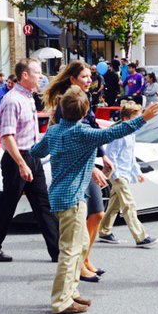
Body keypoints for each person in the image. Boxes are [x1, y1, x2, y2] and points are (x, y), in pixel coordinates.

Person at [30, 88, 158, 314]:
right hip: (72, 199)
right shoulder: (83, 132)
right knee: (70, 251)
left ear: (62, 110)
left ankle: (71, 292)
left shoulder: (54, 131)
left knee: (79, 246)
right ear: (84, 112)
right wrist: (143, 118)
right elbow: (116, 131)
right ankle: (61, 301)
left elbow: (36, 152)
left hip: (61, 196)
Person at [0, 59, 60, 264]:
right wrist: (21, 164)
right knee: (7, 205)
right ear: (25, 75)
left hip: (32, 156)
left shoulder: (28, 97)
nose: (41, 76)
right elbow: (7, 136)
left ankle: (58, 251)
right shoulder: (12, 100)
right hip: (17, 158)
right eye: (37, 72)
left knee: (43, 205)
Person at [45, 62, 112, 281]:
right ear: (72, 79)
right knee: (87, 216)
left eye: (89, 76)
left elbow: (92, 130)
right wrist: (92, 168)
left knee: (97, 214)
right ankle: (79, 264)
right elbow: (71, 142)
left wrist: (103, 155)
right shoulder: (67, 103)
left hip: (88, 164)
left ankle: (85, 258)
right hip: (77, 171)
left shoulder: (85, 98)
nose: (89, 80)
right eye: (83, 76)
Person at [97, 100, 158, 248]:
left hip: (124, 173)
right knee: (129, 204)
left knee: (115, 204)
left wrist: (137, 172)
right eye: (135, 118)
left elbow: (130, 157)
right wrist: (116, 175)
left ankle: (104, 231)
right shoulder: (119, 134)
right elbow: (111, 156)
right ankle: (141, 237)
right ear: (126, 118)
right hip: (118, 174)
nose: (138, 121)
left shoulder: (131, 134)